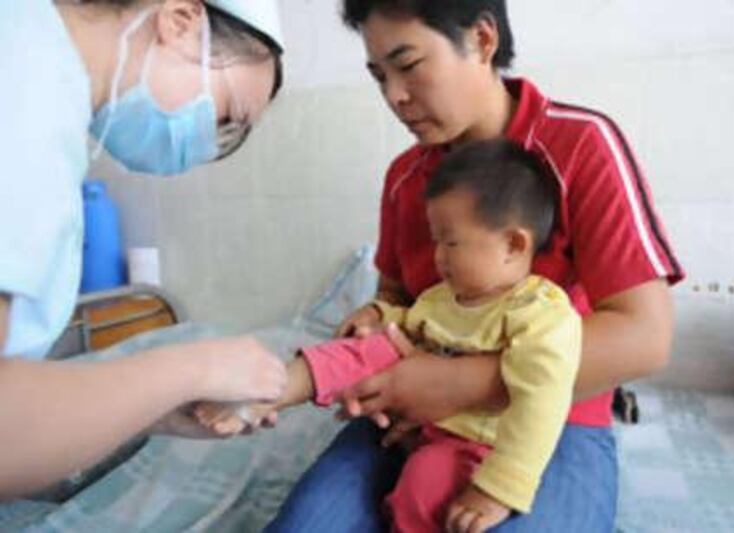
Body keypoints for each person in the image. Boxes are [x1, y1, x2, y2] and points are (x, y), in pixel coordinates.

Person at [268, 1, 684, 531]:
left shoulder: (579, 144)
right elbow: (397, 299)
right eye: (379, 76)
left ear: (483, 39)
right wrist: (378, 318)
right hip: (417, 415)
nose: (395, 96)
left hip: (554, 414)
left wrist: (456, 383)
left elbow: (646, 337)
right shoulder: (405, 176)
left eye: (409, 64)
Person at [196, 139, 581, 532]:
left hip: (477, 444)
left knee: (422, 488)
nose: (438, 257)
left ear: (513, 245)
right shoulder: (444, 297)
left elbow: (543, 402)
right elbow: (412, 319)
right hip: (417, 420)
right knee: (373, 346)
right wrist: (379, 315)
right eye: (435, 241)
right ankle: (271, 389)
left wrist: (499, 489)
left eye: (450, 242)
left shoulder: (540, 314)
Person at [0, 0, 288, 499]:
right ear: (180, 20)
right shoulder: (24, 107)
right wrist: (194, 367)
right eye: (225, 116)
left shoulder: (30, 55)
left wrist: (145, 408)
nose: (206, 145)